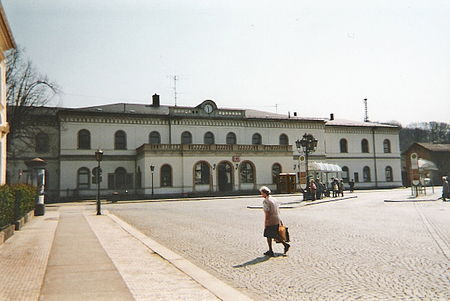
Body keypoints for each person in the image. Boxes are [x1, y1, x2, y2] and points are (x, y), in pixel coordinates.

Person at [260, 186, 290, 257]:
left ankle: (271, 250)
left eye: (262, 193)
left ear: (264, 193)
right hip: (276, 218)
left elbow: (267, 212)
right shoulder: (274, 199)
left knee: (268, 235)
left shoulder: (266, 201)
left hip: (270, 220)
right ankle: (285, 245)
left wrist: (266, 222)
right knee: (275, 234)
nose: (261, 195)